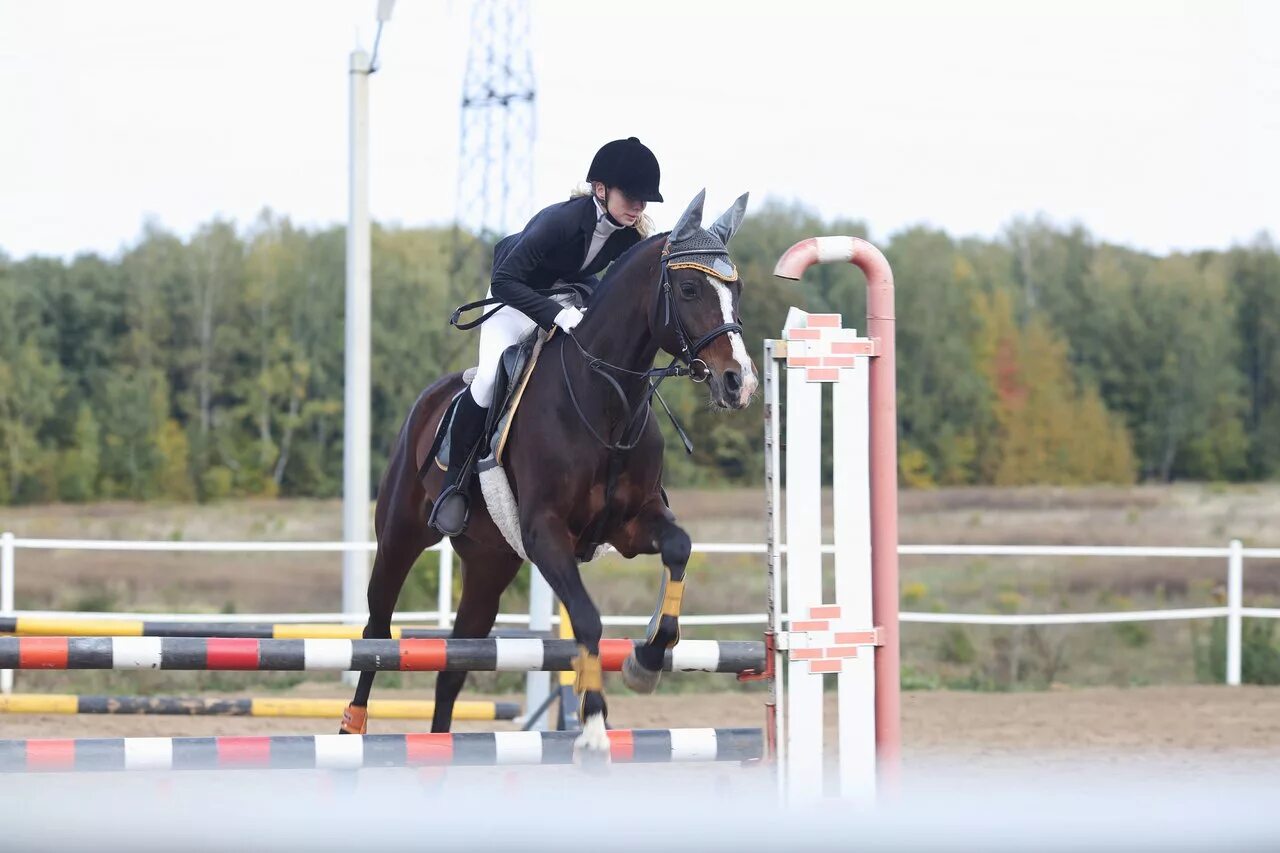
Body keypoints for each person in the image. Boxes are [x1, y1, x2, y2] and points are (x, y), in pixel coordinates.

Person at [429, 136, 664, 536]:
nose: (639, 206)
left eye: (645, 199)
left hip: (571, 300)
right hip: (514, 298)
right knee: (488, 381)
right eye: (632, 196)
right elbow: (504, 280)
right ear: (601, 189)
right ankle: (454, 486)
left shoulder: (630, 235)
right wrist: (558, 315)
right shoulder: (561, 220)